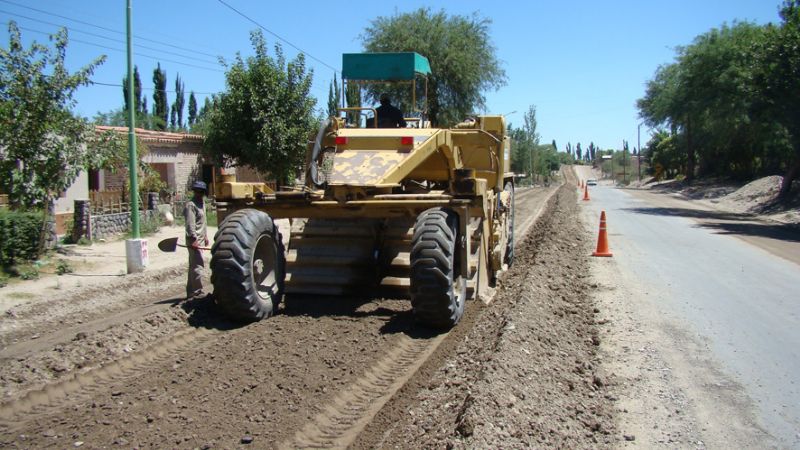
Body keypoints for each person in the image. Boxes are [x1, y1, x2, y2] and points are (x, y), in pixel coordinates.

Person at [184, 180, 209, 299]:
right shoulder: (191, 205)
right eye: (197, 191)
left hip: (200, 238)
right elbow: (190, 224)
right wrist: (194, 239)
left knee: (194, 264)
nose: (199, 194)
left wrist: (205, 236)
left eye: (201, 191)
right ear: (194, 191)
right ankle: (197, 291)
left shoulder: (202, 203)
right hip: (193, 239)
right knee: (198, 265)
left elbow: (203, 222)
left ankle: (190, 291)